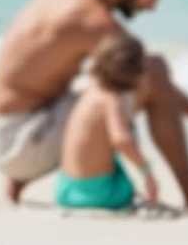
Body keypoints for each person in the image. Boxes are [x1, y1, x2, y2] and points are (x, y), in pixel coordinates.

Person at [0, 0, 188, 210]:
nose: (153, 6)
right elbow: (155, 82)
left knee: (103, 82)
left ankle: (19, 179)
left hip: (9, 134)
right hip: (23, 144)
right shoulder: (92, 20)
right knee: (152, 71)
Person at [58, 34, 157, 210]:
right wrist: (146, 171)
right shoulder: (111, 99)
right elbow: (121, 139)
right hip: (96, 194)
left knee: (111, 161)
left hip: (65, 189)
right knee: (126, 186)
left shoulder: (91, 91)